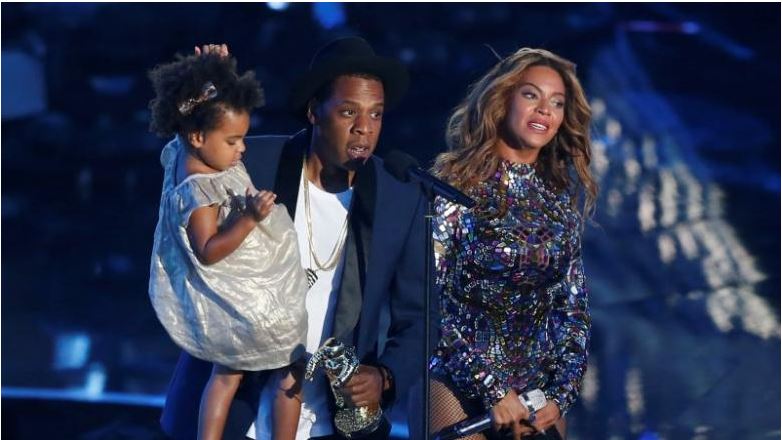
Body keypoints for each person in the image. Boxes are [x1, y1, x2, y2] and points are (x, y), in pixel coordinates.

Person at [159, 37, 430, 440]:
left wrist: (385, 376)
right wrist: (204, 96)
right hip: (231, 411)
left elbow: (420, 316)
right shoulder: (254, 163)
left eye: (376, 115)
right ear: (314, 112)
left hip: (331, 420)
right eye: (348, 111)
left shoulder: (400, 196)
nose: (364, 128)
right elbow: (187, 162)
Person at [428, 47, 597, 440]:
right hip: (459, 384)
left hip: (538, 399)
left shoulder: (559, 203)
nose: (545, 111)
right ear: (503, 99)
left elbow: (574, 312)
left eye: (556, 102)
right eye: (531, 95)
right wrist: (492, 389)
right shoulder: (455, 187)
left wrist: (561, 395)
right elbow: (430, 302)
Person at [147, 52, 309, 440]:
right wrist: (249, 218)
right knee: (238, 373)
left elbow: (196, 110)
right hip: (241, 296)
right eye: (233, 141)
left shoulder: (197, 150)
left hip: (259, 283)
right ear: (198, 138)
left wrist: (216, 71)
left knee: (283, 367)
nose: (242, 149)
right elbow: (209, 249)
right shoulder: (198, 188)